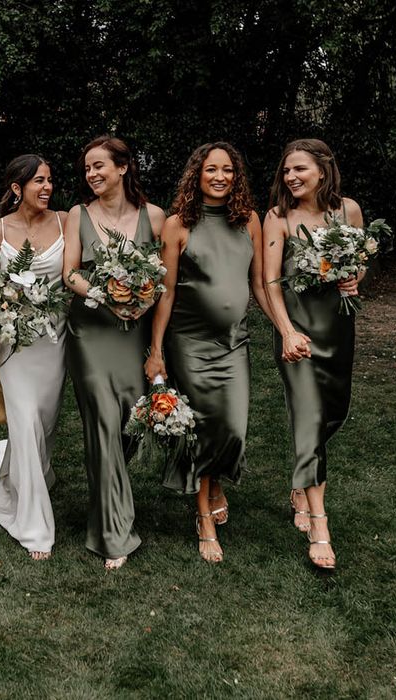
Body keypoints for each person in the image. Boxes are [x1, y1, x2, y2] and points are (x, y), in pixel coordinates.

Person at [144, 142, 273, 563]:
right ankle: (202, 516)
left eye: (228, 171)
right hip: (190, 342)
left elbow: (258, 284)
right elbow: (165, 293)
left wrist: (287, 329)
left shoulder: (249, 221)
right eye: (211, 170)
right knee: (199, 427)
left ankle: (213, 481)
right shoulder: (178, 224)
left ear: (236, 178)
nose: (220, 177)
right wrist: (156, 350)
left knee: (233, 426)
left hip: (233, 341)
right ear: (196, 175)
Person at [63, 135, 165, 569]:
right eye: (87, 168)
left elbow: (164, 277)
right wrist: (107, 295)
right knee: (103, 423)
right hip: (90, 333)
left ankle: (109, 491)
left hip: (134, 334)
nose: (92, 174)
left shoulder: (154, 216)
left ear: (124, 168)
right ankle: (113, 532)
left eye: (100, 166)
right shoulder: (78, 215)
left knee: (127, 422)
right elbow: (69, 274)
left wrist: (143, 297)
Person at [263, 138, 364, 571]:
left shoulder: (349, 211)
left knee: (332, 414)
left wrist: (354, 278)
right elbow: (269, 282)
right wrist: (286, 331)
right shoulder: (278, 217)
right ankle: (320, 525)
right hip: (299, 334)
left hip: (338, 329)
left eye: (299, 169)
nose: (291, 177)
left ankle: (301, 484)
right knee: (308, 418)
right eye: (286, 171)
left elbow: (360, 260)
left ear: (323, 170)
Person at [0, 155, 68, 561]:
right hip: (14, 344)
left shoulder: (67, 222)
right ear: (17, 188)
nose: (47, 187)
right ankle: (34, 527)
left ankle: (18, 477)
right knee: (26, 418)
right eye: (38, 181)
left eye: (49, 180)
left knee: (43, 424)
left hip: (54, 340)